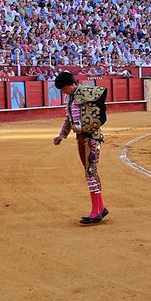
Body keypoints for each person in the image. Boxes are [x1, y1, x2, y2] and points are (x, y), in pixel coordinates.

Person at [51, 71, 109, 225]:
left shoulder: (84, 93)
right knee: (90, 171)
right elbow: (70, 119)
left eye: (64, 89)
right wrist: (62, 135)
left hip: (91, 138)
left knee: (90, 171)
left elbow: (98, 115)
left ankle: (96, 211)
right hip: (81, 138)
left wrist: (84, 129)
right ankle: (100, 208)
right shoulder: (71, 98)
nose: (63, 92)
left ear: (71, 84)